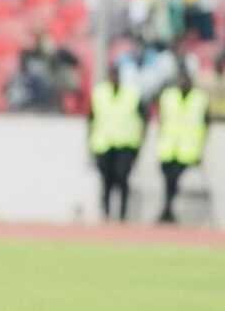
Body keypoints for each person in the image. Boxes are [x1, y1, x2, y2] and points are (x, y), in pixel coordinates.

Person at [89, 62, 145, 221]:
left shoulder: (132, 94)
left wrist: (139, 143)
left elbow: (143, 119)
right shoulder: (99, 93)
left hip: (126, 144)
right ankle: (106, 214)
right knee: (106, 180)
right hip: (103, 143)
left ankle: (122, 214)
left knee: (122, 178)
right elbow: (91, 119)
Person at [155, 68, 210, 224]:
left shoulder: (200, 98)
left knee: (173, 181)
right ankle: (168, 211)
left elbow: (206, 124)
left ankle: (167, 211)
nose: (183, 83)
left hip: (188, 149)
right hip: (168, 147)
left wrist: (200, 148)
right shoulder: (168, 96)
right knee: (168, 182)